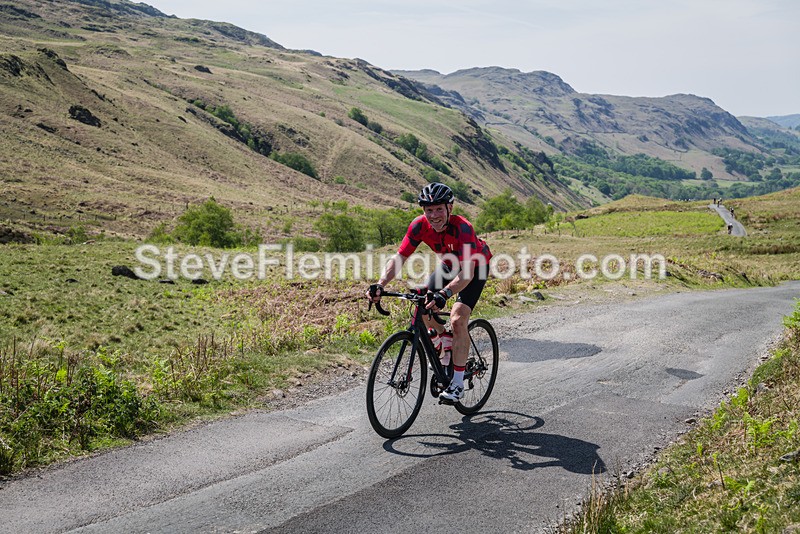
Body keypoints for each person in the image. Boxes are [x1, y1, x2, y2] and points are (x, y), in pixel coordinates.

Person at [366, 182, 492, 402]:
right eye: (429, 210)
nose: (434, 215)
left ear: (449, 208)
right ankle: (444, 340)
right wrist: (380, 284)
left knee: (458, 318)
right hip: (449, 265)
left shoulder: (463, 228)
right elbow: (400, 257)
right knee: (421, 301)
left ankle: (457, 384)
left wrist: (445, 294)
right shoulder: (418, 226)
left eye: (439, 209)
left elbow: (467, 274)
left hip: (475, 268)